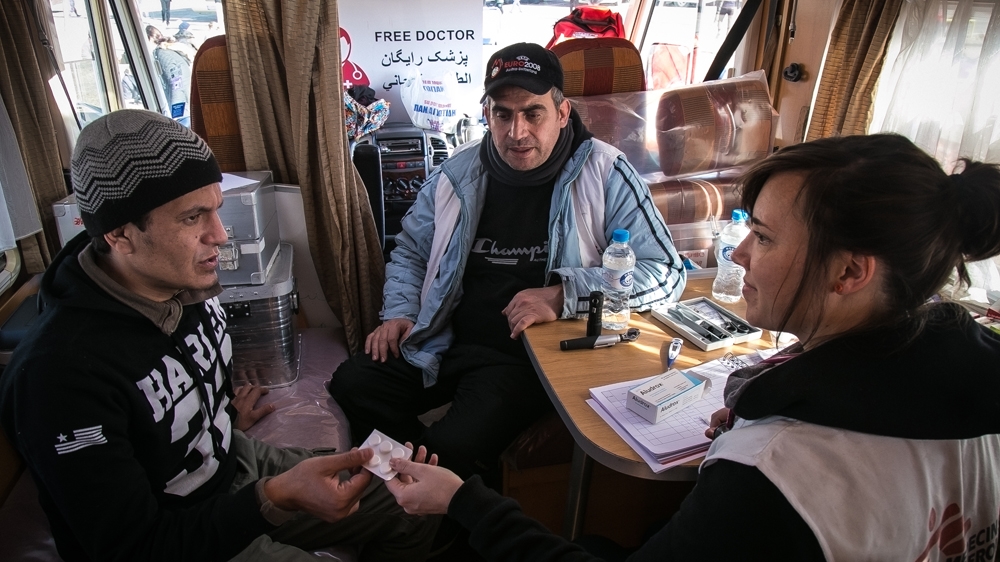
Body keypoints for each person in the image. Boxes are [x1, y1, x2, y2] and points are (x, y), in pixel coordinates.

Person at [383, 133, 1000, 560]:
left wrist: (466, 501)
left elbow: (660, 269)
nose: (737, 255)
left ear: (849, 274)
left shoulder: (775, 473)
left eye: (761, 235)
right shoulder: (973, 393)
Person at [0, 110, 438, 561]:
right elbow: (130, 547)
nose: (221, 235)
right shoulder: (58, 377)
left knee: (418, 504)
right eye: (192, 218)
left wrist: (212, 417)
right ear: (120, 234)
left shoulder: (184, 283)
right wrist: (273, 498)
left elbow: (171, 391)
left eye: (217, 208)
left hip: (227, 462)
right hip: (173, 535)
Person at [329, 42, 685, 482]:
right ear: (487, 114)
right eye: (502, 114)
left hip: (525, 359)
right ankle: (414, 487)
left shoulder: (606, 173)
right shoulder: (455, 175)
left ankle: (435, 507)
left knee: (452, 446)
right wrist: (401, 311)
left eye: (532, 113)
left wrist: (563, 294)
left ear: (562, 111)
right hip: (442, 336)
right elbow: (411, 251)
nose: (516, 132)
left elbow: (666, 272)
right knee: (352, 385)